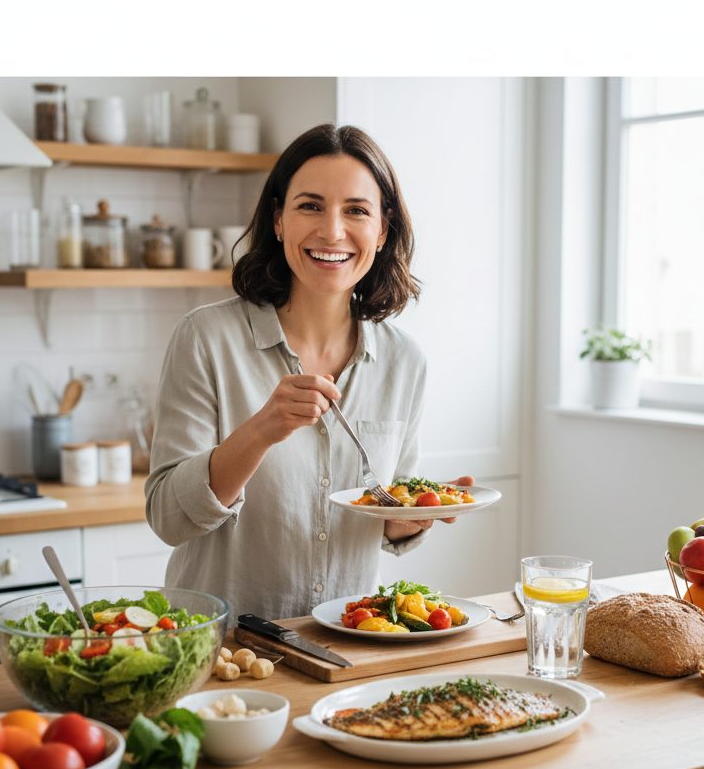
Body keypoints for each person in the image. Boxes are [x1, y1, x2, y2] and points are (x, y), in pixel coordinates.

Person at [145, 123, 473, 621]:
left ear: (382, 231)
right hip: (224, 651)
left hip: (348, 645)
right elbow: (169, 517)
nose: (332, 231)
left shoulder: (405, 361)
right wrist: (261, 431)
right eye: (310, 206)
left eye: (356, 211)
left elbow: (381, 514)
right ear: (278, 220)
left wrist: (411, 517)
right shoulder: (206, 338)